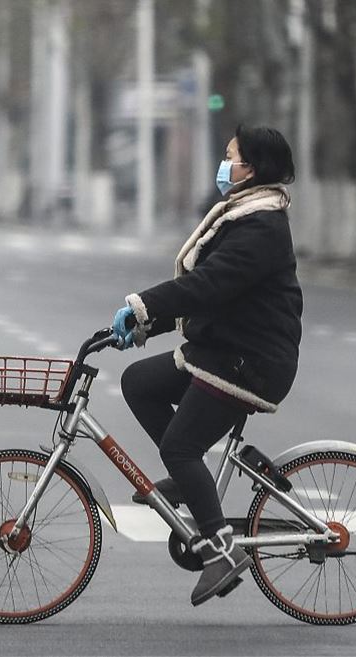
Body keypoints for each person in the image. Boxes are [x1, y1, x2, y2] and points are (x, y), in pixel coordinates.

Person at [110, 125, 302, 607]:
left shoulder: (262, 227)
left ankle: (221, 550)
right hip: (224, 349)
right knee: (139, 382)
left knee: (180, 446)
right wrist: (144, 325)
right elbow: (209, 296)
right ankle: (188, 482)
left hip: (250, 362)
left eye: (230, 156)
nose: (223, 163)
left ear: (250, 169)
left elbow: (208, 285)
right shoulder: (244, 215)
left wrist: (142, 305)